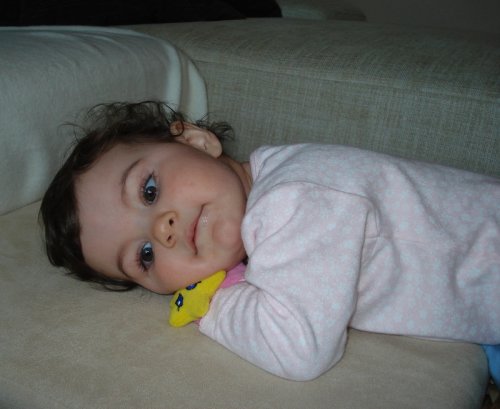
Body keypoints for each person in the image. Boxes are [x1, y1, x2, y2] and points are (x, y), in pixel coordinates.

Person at [40, 100, 500, 382]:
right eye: (144, 256)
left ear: (197, 141)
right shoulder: (275, 181)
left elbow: (298, 348)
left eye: (149, 190)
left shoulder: (291, 200)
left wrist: (211, 302)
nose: (162, 229)